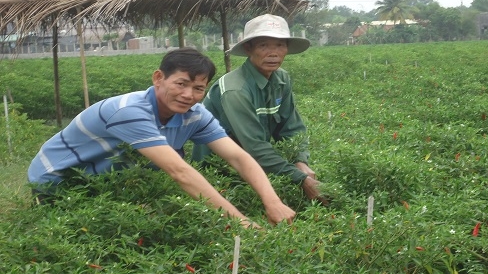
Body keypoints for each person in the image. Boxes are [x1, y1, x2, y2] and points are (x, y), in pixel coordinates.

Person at [27, 47, 295, 228]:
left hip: (108, 178)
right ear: (158, 78)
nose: (188, 95)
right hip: (59, 181)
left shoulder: (195, 114)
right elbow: (179, 172)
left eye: (198, 88)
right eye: (181, 83)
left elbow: (238, 157)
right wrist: (242, 224)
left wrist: (273, 203)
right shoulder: (129, 112)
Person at [192, 14, 325, 203]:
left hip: (254, 167)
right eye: (264, 45)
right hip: (218, 175)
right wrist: (299, 178)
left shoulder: (282, 79)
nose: (273, 53)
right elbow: (254, 146)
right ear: (248, 48)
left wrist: (300, 160)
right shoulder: (235, 90)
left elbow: (292, 128)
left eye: (280, 45)